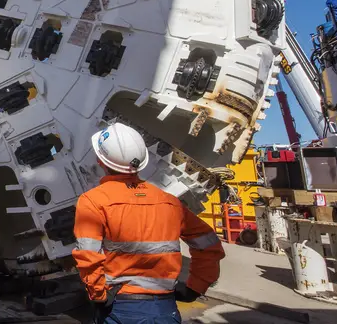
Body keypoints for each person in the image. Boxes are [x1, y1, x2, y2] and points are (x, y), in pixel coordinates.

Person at [72, 122, 225, 323]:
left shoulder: (93, 201)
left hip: (121, 307)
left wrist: (98, 295)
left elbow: (88, 256)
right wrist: (194, 287)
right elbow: (210, 246)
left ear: (101, 161)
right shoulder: (170, 202)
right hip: (165, 309)